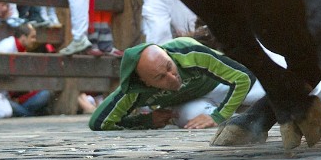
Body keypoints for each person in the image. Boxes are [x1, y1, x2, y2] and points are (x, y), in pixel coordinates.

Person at [88, 37, 254, 131]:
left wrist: (218, 116)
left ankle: (246, 112)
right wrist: (146, 121)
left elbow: (243, 77)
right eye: (160, 77)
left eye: (169, 67)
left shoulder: (187, 50)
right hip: (191, 104)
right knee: (190, 121)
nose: (173, 77)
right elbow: (99, 121)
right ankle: (239, 115)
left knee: (261, 94)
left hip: (219, 85)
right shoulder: (134, 90)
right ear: (144, 82)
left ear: (167, 54)